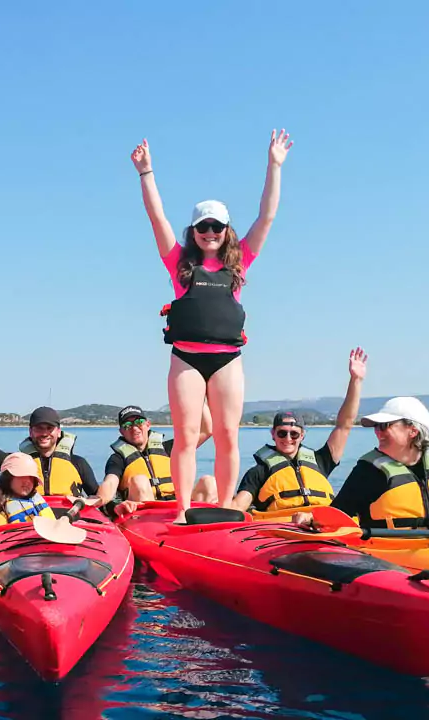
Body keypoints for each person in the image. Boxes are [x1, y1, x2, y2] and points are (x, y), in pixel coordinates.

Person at [131, 130, 293, 523]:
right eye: (203, 227)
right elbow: (157, 218)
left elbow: (267, 216)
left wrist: (274, 166)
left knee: (227, 436)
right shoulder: (179, 264)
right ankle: (183, 511)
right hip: (186, 358)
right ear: (193, 231)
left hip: (227, 360)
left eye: (217, 227)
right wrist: (146, 172)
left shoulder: (240, 263)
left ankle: (222, 509)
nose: (209, 233)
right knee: (186, 437)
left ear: (226, 231)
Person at [293, 397, 429, 537]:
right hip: (392, 563)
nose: (378, 432)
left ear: (412, 431)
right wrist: (311, 518)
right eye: (376, 427)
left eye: (385, 426)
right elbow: (336, 516)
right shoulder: (368, 474)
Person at [229, 348, 368, 515]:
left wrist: (356, 380)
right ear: (273, 434)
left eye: (294, 434)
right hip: (282, 529)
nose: (288, 438)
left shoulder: (321, 461)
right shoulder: (258, 473)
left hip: (320, 525)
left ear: (302, 435)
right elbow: (238, 506)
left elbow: (344, 425)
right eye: (282, 433)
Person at [0, 381, 99, 499]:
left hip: (69, 522)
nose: (44, 433)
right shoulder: (16, 464)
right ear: (30, 432)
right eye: (39, 428)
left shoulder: (79, 464)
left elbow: (99, 497)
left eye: (49, 428)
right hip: (30, 522)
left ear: (58, 432)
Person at [102, 405, 216, 514]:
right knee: (139, 480)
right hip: (146, 513)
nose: (134, 428)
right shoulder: (117, 459)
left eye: (139, 422)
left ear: (148, 424)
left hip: (178, 506)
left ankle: (212, 525)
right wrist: (100, 499)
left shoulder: (170, 448)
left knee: (209, 481)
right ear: (121, 431)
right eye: (127, 425)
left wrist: (201, 397)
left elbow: (206, 431)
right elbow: (110, 483)